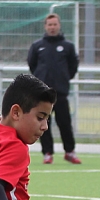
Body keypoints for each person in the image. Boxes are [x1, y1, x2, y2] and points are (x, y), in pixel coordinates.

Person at [28, 13, 81, 165]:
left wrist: (63, 79)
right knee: (43, 124)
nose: (52, 27)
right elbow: (32, 64)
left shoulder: (68, 46)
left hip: (60, 92)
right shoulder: (38, 46)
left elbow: (73, 66)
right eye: (49, 25)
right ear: (45, 26)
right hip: (42, 94)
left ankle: (69, 152)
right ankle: (47, 153)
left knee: (65, 123)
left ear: (59, 25)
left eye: (55, 24)